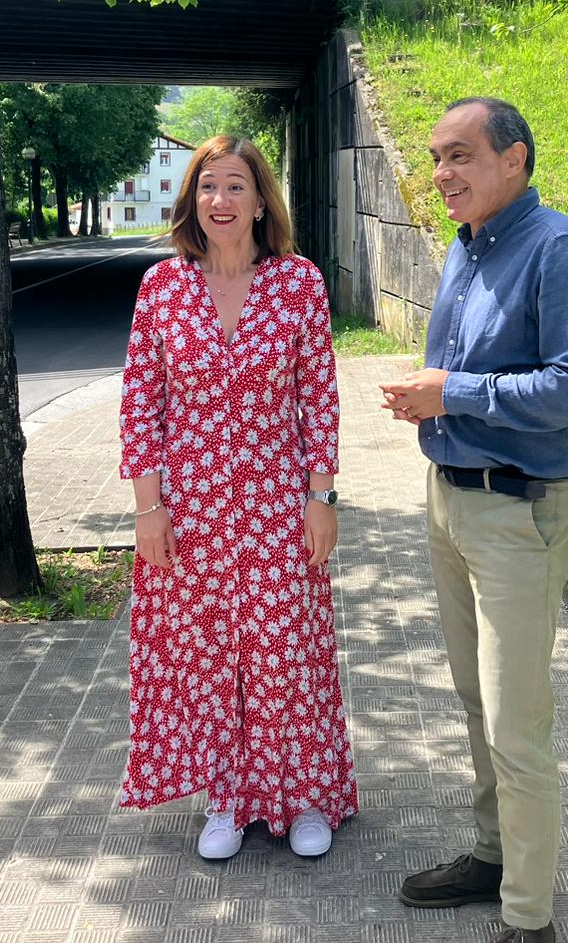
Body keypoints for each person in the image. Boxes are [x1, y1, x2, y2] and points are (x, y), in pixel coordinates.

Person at [380, 98, 568, 943]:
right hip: (452, 500)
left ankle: (530, 920)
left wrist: (457, 393)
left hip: (521, 510)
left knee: (518, 724)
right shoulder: (466, 247)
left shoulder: (560, 249)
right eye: (436, 157)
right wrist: (429, 397)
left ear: (514, 159)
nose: (442, 174)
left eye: (460, 156)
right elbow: (474, 368)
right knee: (477, 703)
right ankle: (492, 856)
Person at [116, 134, 357, 862]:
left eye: (234, 187)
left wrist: (323, 497)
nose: (219, 201)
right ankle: (226, 798)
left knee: (286, 651)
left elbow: (319, 399)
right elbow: (140, 404)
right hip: (192, 514)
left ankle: (303, 797)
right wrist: (147, 509)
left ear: (260, 202)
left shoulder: (299, 283)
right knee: (211, 657)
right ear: (192, 200)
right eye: (207, 187)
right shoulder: (163, 287)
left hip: (279, 505)